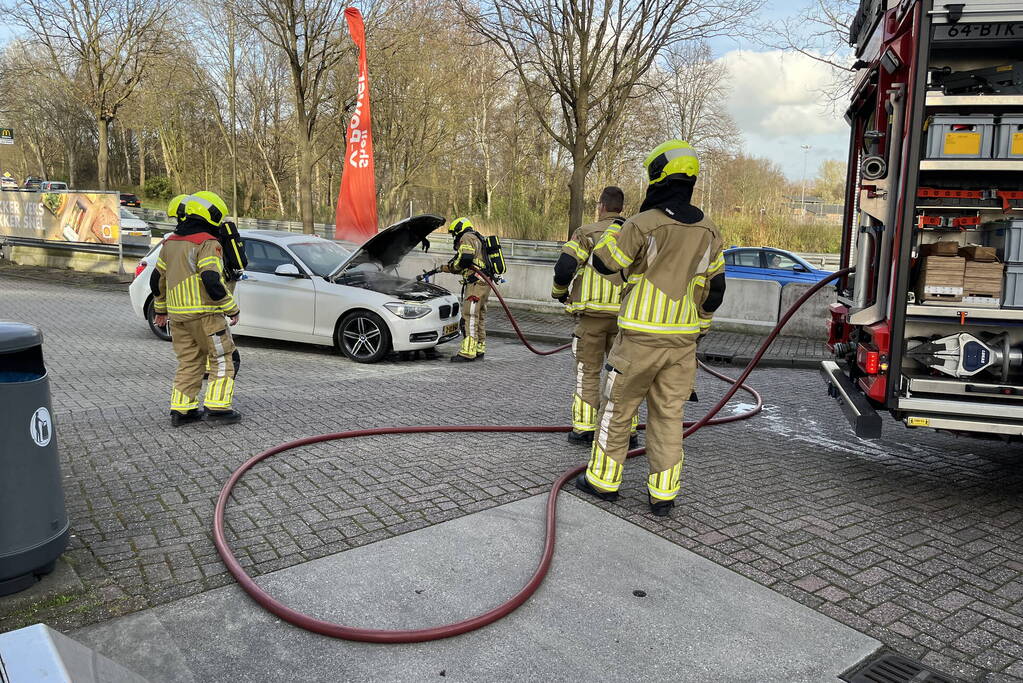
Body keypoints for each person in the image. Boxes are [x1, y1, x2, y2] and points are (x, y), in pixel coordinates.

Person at [574, 140, 726, 516]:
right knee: (669, 416)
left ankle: (603, 481)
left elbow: (606, 264)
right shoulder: (710, 231)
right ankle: (663, 493)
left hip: (639, 340)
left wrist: (612, 232)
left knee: (618, 408)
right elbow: (716, 290)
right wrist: (700, 327)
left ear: (658, 175)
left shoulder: (643, 224)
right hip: (683, 344)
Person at [551, 186, 638, 447]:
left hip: (591, 317)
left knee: (588, 371)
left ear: (601, 205)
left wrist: (559, 293)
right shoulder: (635, 234)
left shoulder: (587, 232)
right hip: (626, 319)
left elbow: (565, 266)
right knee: (623, 375)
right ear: (621, 208)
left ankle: (585, 428)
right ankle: (627, 430)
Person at [152, 191, 242, 426]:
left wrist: (161, 310)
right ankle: (218, 407)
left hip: (178, 318)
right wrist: (231, 309)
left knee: (189, 362)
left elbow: (156, 280)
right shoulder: (207, 242)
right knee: (222, 358)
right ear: (210, 215)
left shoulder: (170, 242)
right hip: (206, 316)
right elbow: (211, 279)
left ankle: (182, 411)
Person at [436, 217, 491, 362]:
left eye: (454, 233)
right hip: (484, 283)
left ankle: (468, 351)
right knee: (479, 316)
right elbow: (471, 261)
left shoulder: (467, 237)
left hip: (475, 285)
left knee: (470, 315)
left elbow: (465, 259)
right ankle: (479, 347)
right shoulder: (478, 238)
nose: (455, 237)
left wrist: (453, 267)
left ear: (459, 229)